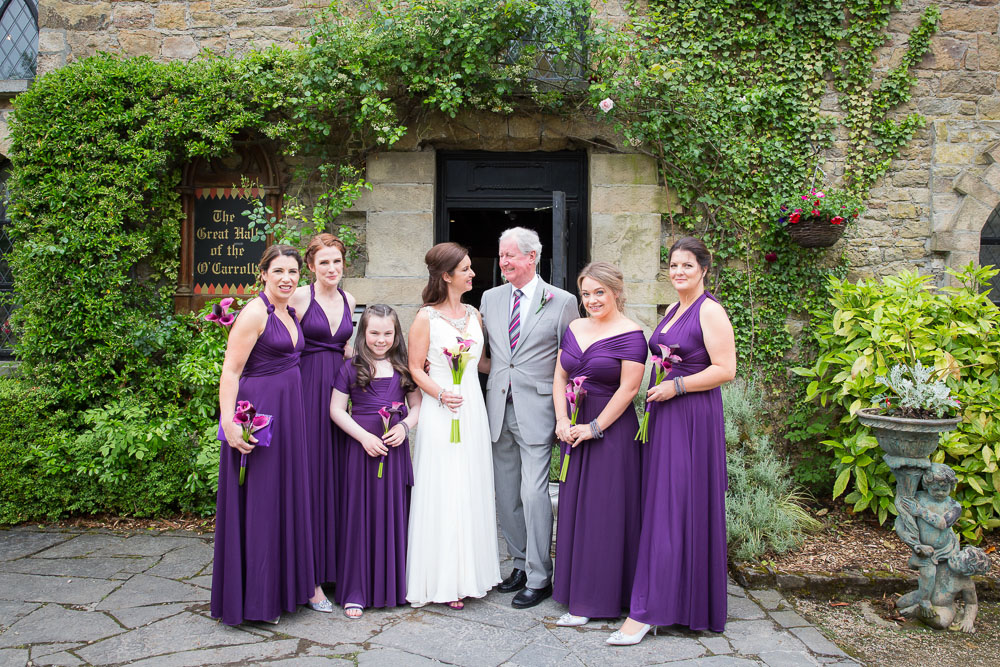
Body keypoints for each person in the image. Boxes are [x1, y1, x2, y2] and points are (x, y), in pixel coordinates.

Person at [610, 236, 736, 645]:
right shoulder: (674, 309)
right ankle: (677, 599)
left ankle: (649, 610)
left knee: (673, 504)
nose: (678, 272)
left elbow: (726, 370)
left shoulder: (711, 311)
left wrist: (676, 388)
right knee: (665, 503)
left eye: (686, 265)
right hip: (664, 417)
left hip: (691, 418)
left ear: (703, 268)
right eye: (673, 265)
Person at [211, 245, 324, 626]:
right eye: (278, 271)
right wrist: (228, 423)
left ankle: (286, 589)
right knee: (261, 502)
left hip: (291, 415)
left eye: (292, 272)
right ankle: (257, 599)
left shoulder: (288, 311)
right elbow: (231, 372)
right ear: (263, 274)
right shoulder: (255, 313)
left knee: (285, 499)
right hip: (259, 417)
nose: (286, 278)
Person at [480, 227, 577, 609]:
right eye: (501, 256)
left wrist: (564, 413)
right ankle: (519, 565)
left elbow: (569, 361)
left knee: (534, 493)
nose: (503, 262)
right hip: (497, 407)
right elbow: (485, 353)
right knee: (506, 494)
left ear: (532, 257)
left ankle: (540, 576)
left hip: (537, 410)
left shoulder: (563, 301)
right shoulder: (489, 298)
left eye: (510, 256)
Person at [405, 242, 501, 608]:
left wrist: (523, 374)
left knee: (471, 484)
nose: (473, 273)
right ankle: (444, 580)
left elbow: (481, 363)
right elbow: (415, 367)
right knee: (444, 487)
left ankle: (472, 573)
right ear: (446, 276)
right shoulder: (425, 318)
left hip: (472, 408)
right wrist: (442, 394)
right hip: (441, 408)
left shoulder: (474, 315)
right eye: (466, 269)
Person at [552, 262, 646, 626]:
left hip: (612, 432)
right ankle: (578, 591)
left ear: (616, 292)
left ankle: (599, 600)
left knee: (605, 514)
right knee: (576, 509)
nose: (591, 300)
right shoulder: (575, 327)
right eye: (586, 293)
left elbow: (629, 389)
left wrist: (594, 427)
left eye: (599, 292)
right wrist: (562, 420)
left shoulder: (631, 333)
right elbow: (560, 376)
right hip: (573, 428)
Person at [330, 305, 421, 618]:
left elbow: (417, 407)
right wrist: (363, 438)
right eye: (374, 333)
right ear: (363, 333)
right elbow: (337, 410)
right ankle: (357, 588)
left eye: (387, 333)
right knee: (359, 516)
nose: (381, 340)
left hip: (393, 452)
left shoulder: (403, 369)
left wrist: (403, 426)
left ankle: (393, 586)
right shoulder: (350, 367)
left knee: (393, 514)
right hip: (361, 450)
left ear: (396, 335)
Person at [289, 234, 356, 609]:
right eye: (324, 263)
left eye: (337, 262)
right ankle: (309, 580)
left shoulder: (348, 300)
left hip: (339, 392)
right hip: (304, 390)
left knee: (336, 480)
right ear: (311, 266)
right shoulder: (299, 297)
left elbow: (349, 349)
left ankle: (333, 571)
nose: (332, 269)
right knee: (310, 481)